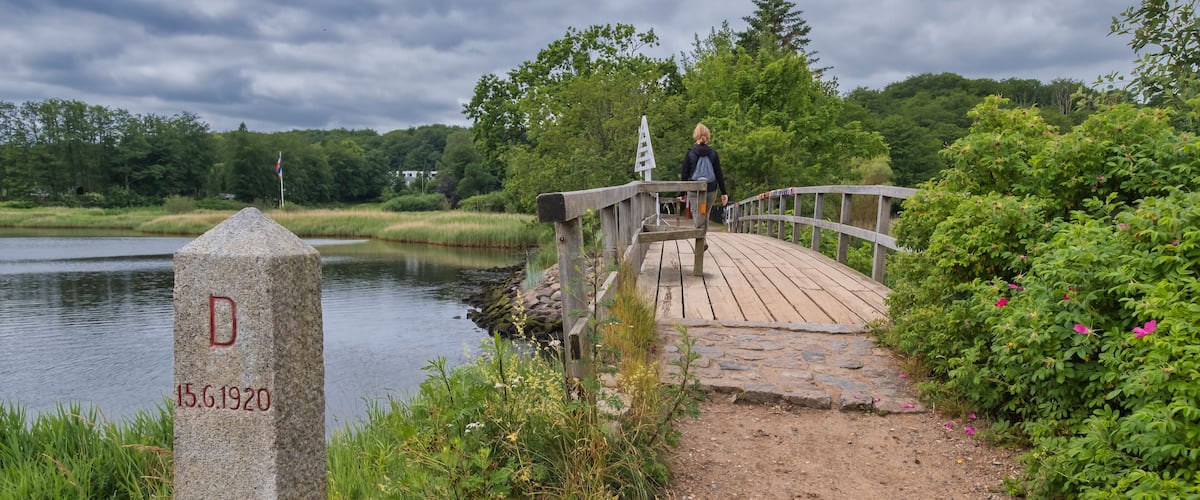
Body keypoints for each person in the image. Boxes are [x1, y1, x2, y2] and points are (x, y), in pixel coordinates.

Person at [680, 123, 728, 233]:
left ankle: (701, 239)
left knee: (697, 213)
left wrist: (682, 193)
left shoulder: (690, 153)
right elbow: (718, 173)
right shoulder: (713, 153)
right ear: (708, 136)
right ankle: (703, 238)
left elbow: (684, 174)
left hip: (694, 188)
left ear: (695, 136)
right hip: (710, 188)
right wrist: (724, 192)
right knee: (705, 213)